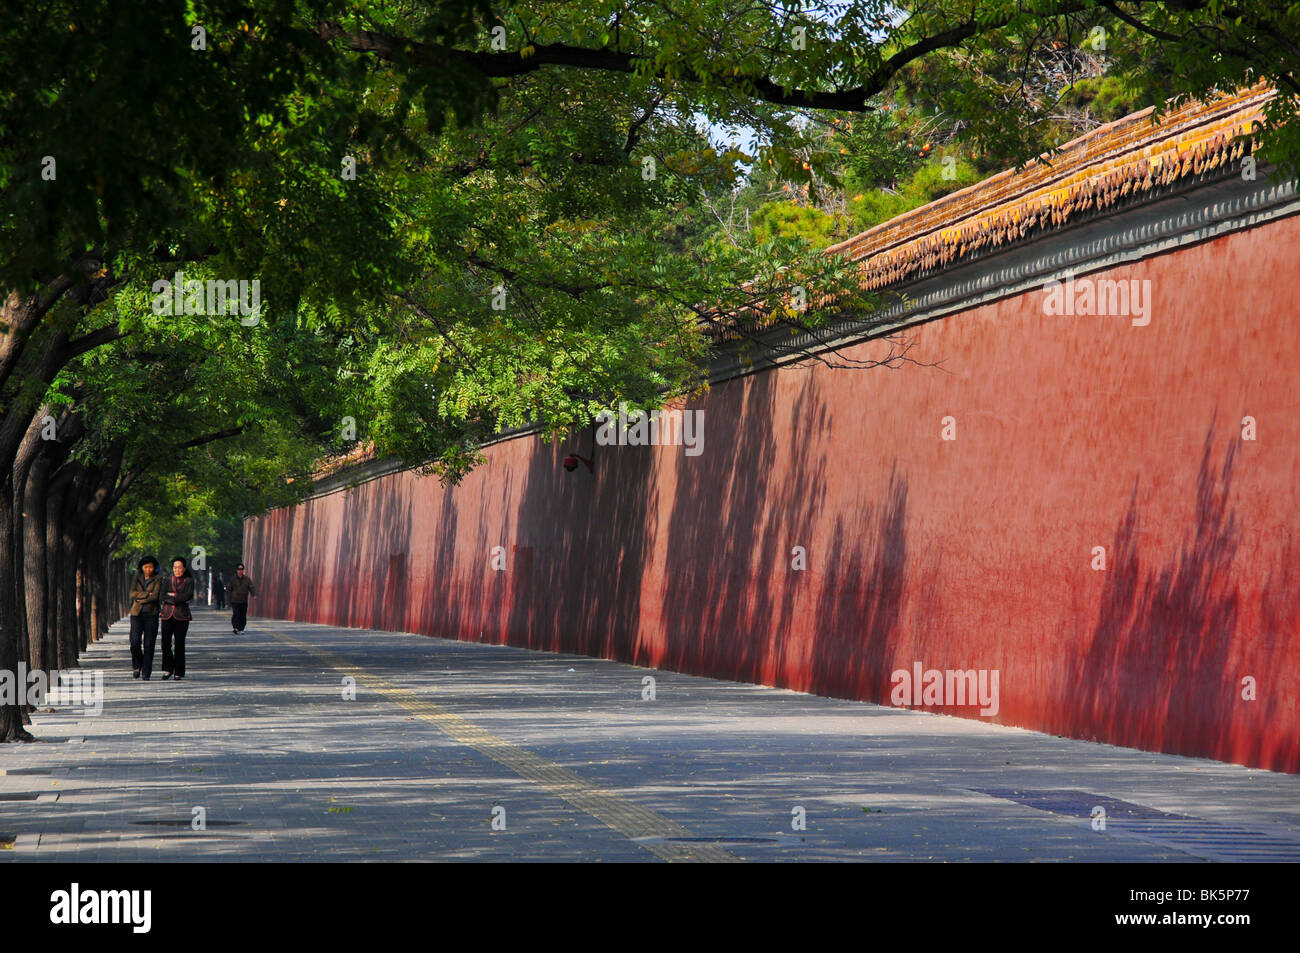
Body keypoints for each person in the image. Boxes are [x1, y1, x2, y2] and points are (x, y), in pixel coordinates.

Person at [159, 557, 195, 680]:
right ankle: (168, 669)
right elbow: (162, 596)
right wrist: (175, 597)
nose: (177, 570)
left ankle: (179, 671)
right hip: (167, 615)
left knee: (179, 644)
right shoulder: (167, 580)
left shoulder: (189, 581)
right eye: (175, 567)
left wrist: (173, 596)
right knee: (165, 643)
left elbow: (188, 596)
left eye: (179, 567)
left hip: (182, 616)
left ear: (184, 569)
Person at [128, 556, 162, 679]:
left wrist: (140, 598)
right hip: (136, 614)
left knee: (149, 644)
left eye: (151, 567)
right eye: (146, 567)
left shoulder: (158, 579)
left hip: (151, 614)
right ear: (142, 567)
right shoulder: (136, 577)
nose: (148, 569)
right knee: (134, 642)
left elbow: (156, 596)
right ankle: (137, 666)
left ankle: (146, 671)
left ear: (154, 568)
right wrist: (148, 594)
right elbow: (132, 593)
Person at [226, 563, 255, 634]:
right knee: (236, 614)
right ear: (236, 570)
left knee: (243, 615)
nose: (240, 570)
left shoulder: (247, 579)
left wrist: (253, 594)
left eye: (241, 569)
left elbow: (251, 587)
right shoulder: (232, 579)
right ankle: (235, 627)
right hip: (235, 600)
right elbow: (229, 590)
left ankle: (241, 628)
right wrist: (228, 601)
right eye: (239, 569)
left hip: (243, 600)